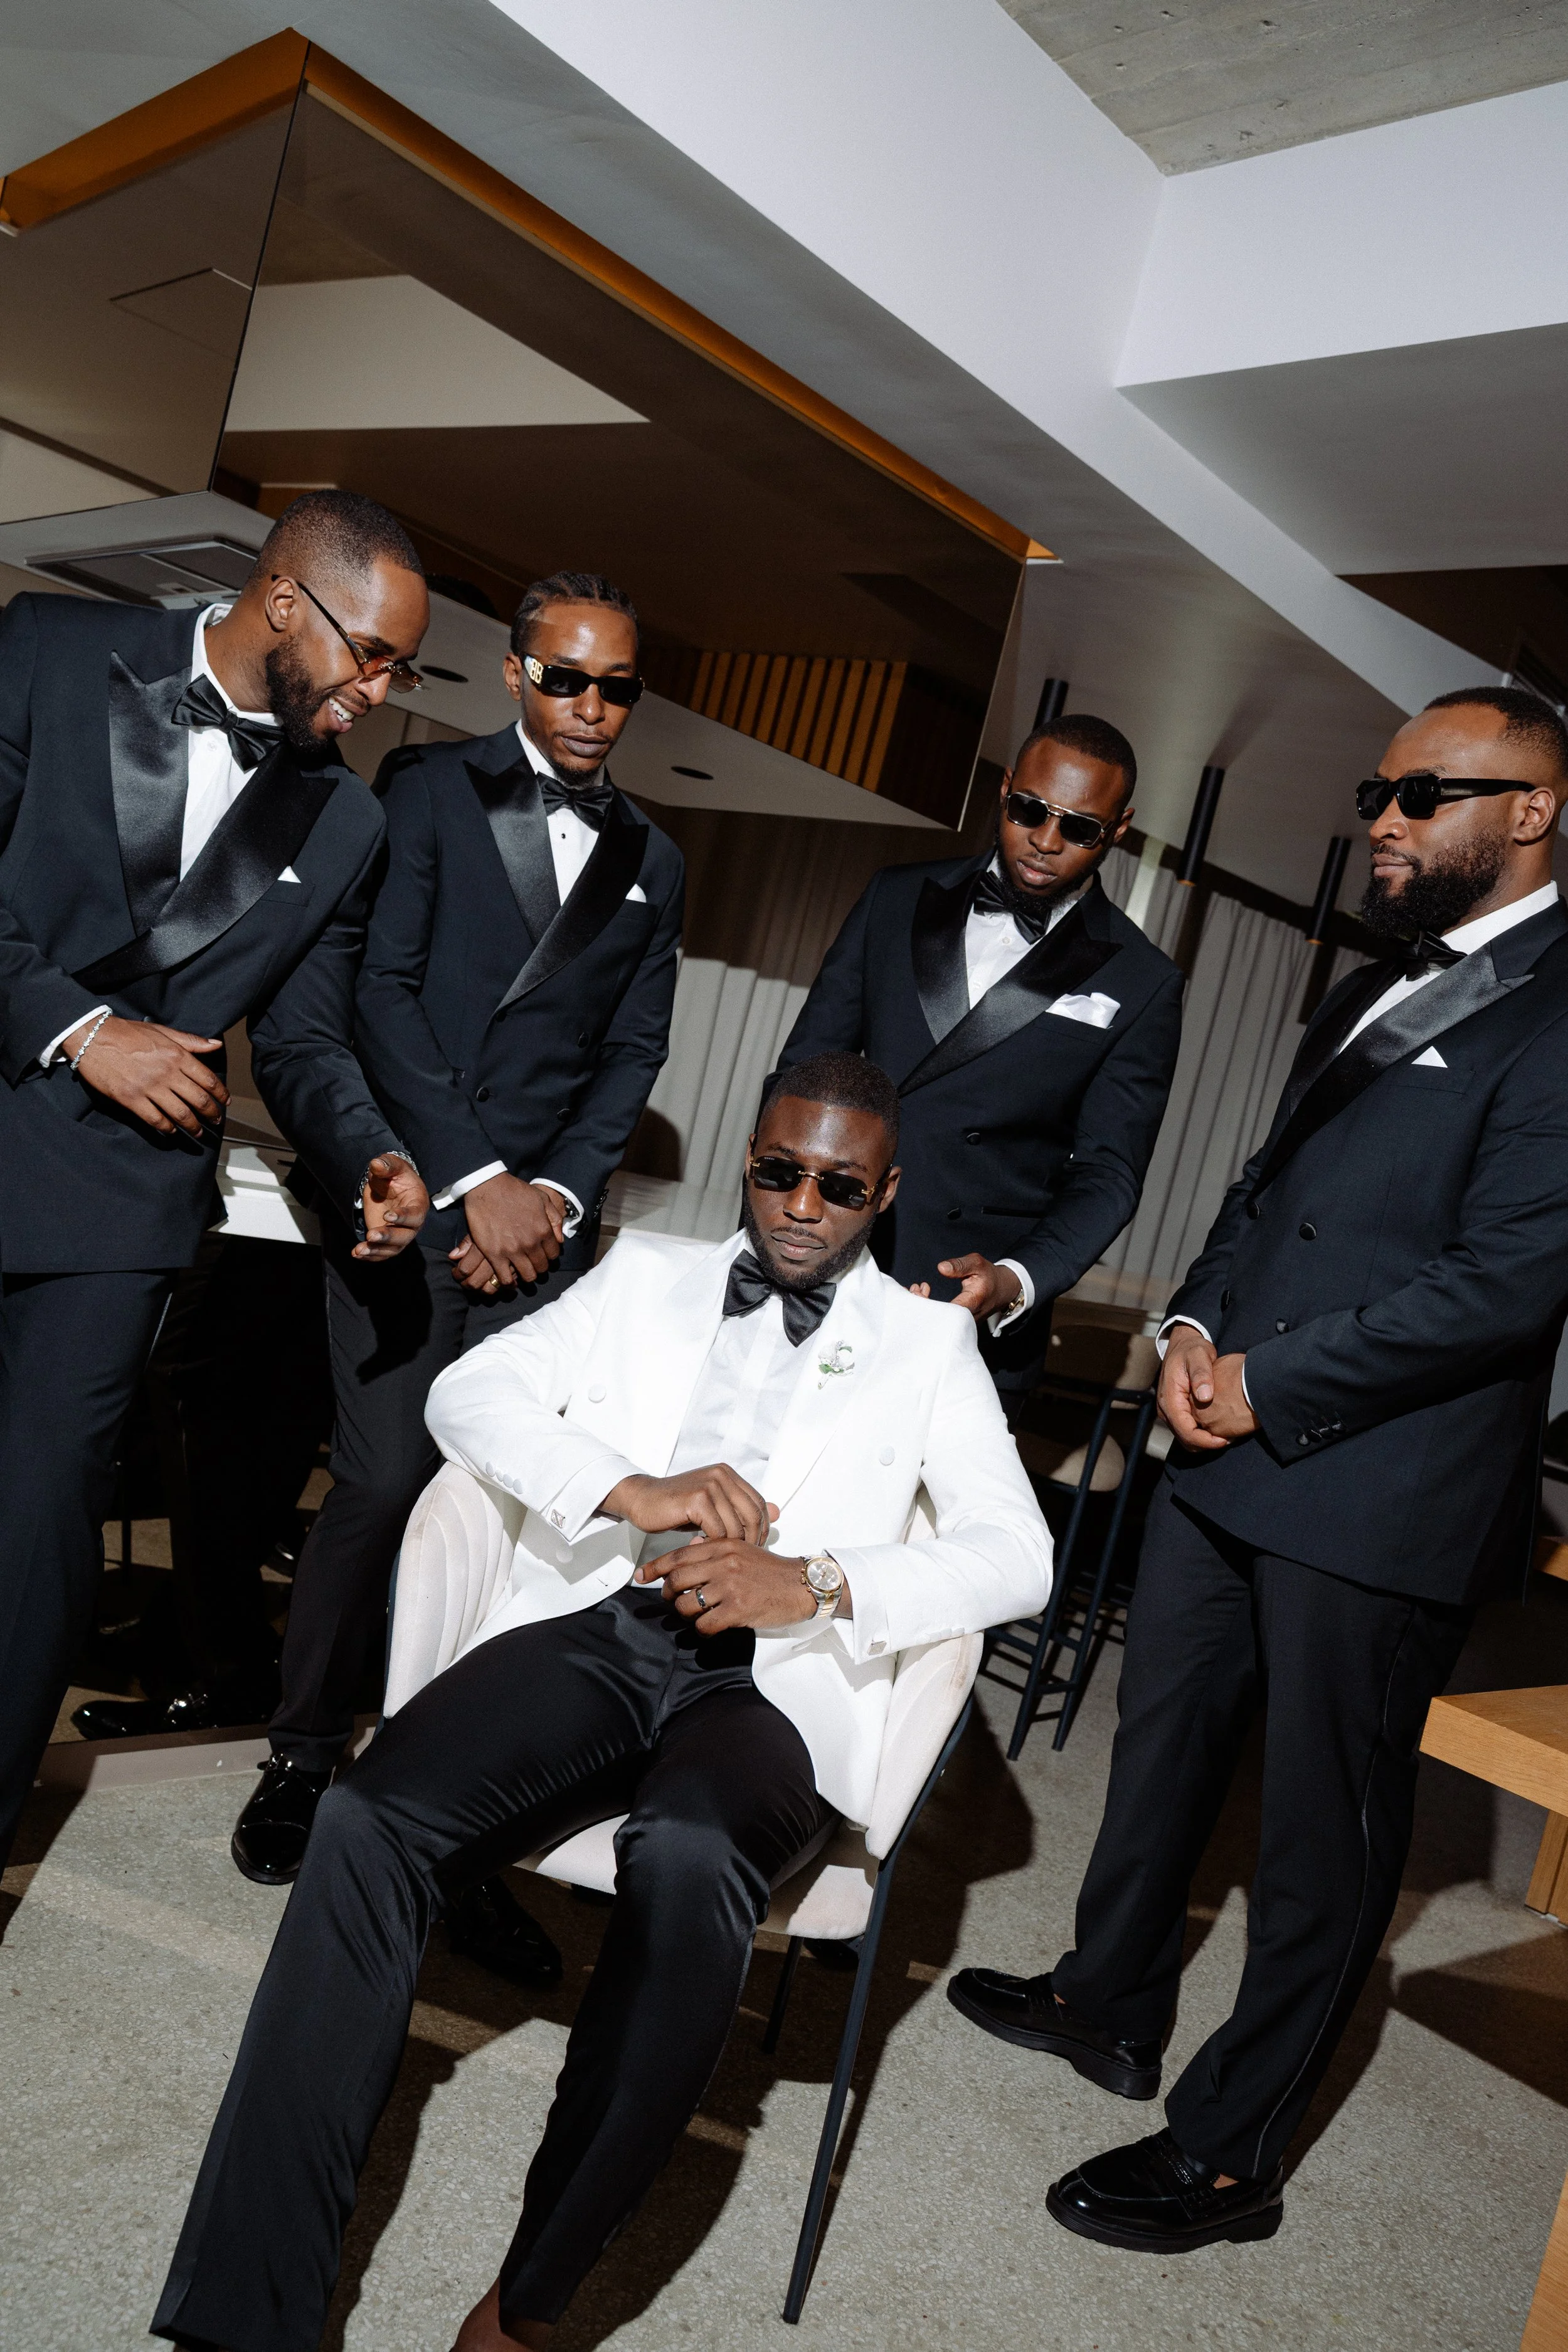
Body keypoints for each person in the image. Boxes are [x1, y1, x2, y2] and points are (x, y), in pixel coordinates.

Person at [152, 1052, 1051, 2352]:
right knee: (364, 1822)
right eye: (777, 1172)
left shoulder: (926, 1345)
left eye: (838, 1187)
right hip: (609, 1625)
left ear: (884, 1191)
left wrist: (818, 1582)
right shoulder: (648, 1275)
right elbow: (470, 1395)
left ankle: (525, 2309)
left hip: (773, 1694)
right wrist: (632, 1486)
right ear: (750, 1159)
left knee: (687, 1860)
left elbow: (1014, 1553)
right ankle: (245, 2315)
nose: (800, 1205)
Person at [950, 684, 1568, 2252]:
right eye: (1377, 786)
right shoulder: (1367, 987)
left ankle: (1234, 2151)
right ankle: (1109, 1995)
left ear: (1533, 810)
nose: (1384, 815)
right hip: (1224, 1435)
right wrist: (1185, 1325)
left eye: (1425, 793)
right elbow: (1258, 1190)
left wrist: (1267, 1380)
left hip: (1381, 1487)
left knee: (1320, 1834)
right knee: (1159, 1744)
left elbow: (1503, 1282)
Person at [230, 573, 684, 1993]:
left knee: (497, 1522)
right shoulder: (424, 791)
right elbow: (385, 994)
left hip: (540, 1237)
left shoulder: (657, 856)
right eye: (569, 679)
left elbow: (629, 1055)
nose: (593, 708)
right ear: (515, 675)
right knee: (375, 1487)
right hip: (417, 1196)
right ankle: (305, 1753)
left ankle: (451, 1811)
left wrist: (547, 1195)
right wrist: (477, 1171)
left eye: (617, 686)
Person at [0, 491, 431, 1872]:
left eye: (398, 671)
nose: (379, 692)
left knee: (38, 1529)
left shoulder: (346, 824)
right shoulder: (51, 652)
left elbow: (301, 1039)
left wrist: (367, 1147)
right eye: (369, 655)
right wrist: (78, 1028)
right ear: (287, 600)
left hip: (116, 1206)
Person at [775, 714, 1182, 1399]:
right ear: (1005, 790)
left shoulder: (1143, 981)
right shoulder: (896, 897)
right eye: (1030, 811)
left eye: (1079, 828)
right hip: (826, 1255)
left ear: (1118, 829)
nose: (1045, 843)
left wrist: (1018, 1279)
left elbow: (1109, 1175)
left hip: (966, 1301)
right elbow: (803, 1076)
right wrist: (784, 1216)